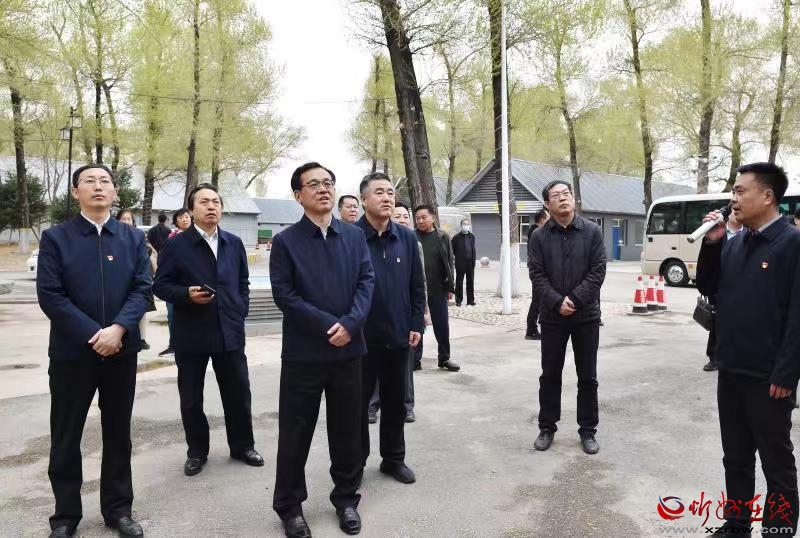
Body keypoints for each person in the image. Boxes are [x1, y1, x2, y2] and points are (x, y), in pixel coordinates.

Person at [37, 164, 150, 538]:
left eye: (105, 182)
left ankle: (118, 510)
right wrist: (94, 334)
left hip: (121, 352)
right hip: (72, 354)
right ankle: (65, 516)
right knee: (66, 435)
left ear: (115, 192)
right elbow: (51, 296)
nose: (98, 187)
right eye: (89, 181)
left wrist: (118, 330)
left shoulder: (132, 239)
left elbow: (142, 289)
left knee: (118, 433)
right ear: (76, 192)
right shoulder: (56, 238)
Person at [270, 162, 375, 538]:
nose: (323, 189)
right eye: (313, 184)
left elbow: (366, 282)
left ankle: (346, 498)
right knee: (295, 433)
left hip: (349, 352)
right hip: (304, 355)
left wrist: (351, 324)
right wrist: (328, 326)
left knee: (347, 431)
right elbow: (285, 295)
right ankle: (289, 506)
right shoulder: (286, 241)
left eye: (328, 182)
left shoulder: (354, 236)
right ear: (298, 195)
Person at [697, 162, 800, 536]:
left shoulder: (792, 244)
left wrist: (786, 373)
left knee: (776, 464)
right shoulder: (738, 242)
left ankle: (777, 531)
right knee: (736, 458)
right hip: (732, 368)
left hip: (769, 377)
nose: (733, 199)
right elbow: (709, 287)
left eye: (741, 191)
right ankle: (737, 525)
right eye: (733, 191)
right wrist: (713, 243)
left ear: (767, 196)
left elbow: (798, 317)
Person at [153, 184, 263, 477]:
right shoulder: (176, 245)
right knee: (191, 398)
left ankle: (243, 446)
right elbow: (160, 286)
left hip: (229, 330)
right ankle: (197, 451)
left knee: (238, 393)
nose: (211, 206)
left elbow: (243, 282)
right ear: (191, 210)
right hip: (192, 332)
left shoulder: (233, 243)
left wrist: (240, 309)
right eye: (204, 202)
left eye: (216, 201)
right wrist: (186, 295)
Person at [354, 173, 425, 486]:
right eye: (379, 192)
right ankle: (355, 464)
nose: (386, 198)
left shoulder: (406, 238)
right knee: (356, 406)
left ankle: (393, 460)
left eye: (390, 192)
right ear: (364, 200)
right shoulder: (350, 236)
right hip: (360, 338)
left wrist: (416, 322)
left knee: (395, 404)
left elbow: (416, 285)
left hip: (398, 335)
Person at [528, 181, 606, 455]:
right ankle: (547, 427)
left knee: (588, 376)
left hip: (586, 316)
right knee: (550, 374)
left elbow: (598, 270)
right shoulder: (539, 237)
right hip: (552, 317)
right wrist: (557, 302)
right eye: (556, 196)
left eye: (566, 194)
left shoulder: (592, 231)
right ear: (547, 204)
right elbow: (536, 274)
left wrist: (575, 299)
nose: (563, 199)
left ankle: (588, 430)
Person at [368, 201, 429, 424]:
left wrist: (421, 315)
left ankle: (406, 405)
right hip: (374, 319)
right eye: (398, 216)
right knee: (374, 367)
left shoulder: (411, 242)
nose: (402, 220)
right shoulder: (367, 239)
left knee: (404, 368)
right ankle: (373, 404)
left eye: (406, 216)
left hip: (403, 318)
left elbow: (419, 282)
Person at [413, 205, 460, 372]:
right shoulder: (412, 236)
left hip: (438, 288)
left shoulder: (442, 236)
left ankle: (444, 358)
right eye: (417, 218)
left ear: (433, 218)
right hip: (418, 289)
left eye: (423, 217)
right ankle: (415, 360)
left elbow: (449, 262)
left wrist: (450, 287)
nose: (420, 221)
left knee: (442, 325)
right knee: (417, 324)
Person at [703, 208, 743, 372]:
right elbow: (705, 276)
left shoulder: (750, 234)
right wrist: (710, 242)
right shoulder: (717, 233)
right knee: (717, 325)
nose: (737, 211)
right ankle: (713, 357)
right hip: (719, 289)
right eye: (733, 210)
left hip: (741, 290)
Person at [116, 210, 157, 352]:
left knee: (142, 310)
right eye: (123, 219)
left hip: (139, 279)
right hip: (121, 280)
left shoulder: (139, 236)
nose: (126, 221)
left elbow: (149, 253)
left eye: (129, 219)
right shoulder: (114, 236)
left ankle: (142, 338)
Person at [158, 209, 193, 357]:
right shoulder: (171, 238)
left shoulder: (197, 237)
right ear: (175, 221)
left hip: (191, 285)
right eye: (181, 217)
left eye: (187, 217)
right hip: (173, 285)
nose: (185, 219)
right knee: (172, 316)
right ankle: (173, 345)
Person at [525, 209, 550, 340]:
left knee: (539, 300)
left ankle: (535, 327)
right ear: (542, 220)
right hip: (538, 272)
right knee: (537, 301)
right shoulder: (536, 232)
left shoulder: (536, 231)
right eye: (548, 218)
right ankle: (531, 330)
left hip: (538, 270)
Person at [451, 218, 477, 307]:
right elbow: (452, 250)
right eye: (464, 224)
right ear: (461, 226)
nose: (466, 226)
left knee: (470, 282)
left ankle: (470, 300)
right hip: (460, 263)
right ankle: (458, 300)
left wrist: (473, 260)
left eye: (467, 224)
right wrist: (458, 257)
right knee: (459, 282)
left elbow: (473, 248)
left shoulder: (472, 236)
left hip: (470, 263)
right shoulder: (456, 237)